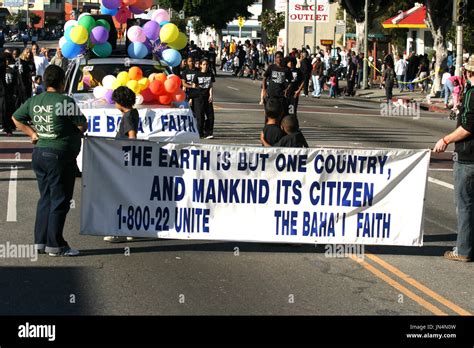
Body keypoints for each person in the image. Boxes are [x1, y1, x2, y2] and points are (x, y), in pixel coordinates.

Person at [12, 65, 88, 257]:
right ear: (62, 82)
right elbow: (82, 124)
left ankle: (40, 242)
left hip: (39, 153)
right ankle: (56, 245)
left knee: (45, 198)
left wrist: (33, 133)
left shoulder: (35, 100)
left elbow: (16, 118)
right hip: (59, 154)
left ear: (45, 82)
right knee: (60, 199)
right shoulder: (65, 101)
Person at [433, 55, 474, 262]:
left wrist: (446, 140)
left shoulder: (471, 93)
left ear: (469, 73)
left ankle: (464, 250)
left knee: (465, 204)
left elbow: (468, 126)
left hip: (468, 157)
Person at [103, 86, 139, 243]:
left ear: (120, 101)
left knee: (118, 195)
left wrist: (128, 156)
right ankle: (130, 229)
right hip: (125, 158)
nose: (114, 104)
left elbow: (132, 136)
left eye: (115, 101)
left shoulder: (129, 116)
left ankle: (120, 231)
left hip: (124, 159)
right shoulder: (132, 113)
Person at [262, 51, 292, 117]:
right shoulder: (271, 67)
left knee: (279, 113)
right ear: (275, 59)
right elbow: (264, 78)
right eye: (277, 57)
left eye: (281, 57)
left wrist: (287, 89)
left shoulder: (286, 69)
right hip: (270, 94)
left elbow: (290, 81)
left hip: (280, 95)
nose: (279, 59)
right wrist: (264, 90)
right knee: (269, 113)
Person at [193, 58, 215, 139]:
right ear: (200, 65)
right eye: (204, 64)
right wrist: (192, 98)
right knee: (200, 116)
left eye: (207, 64)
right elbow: (194, 86)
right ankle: (200, 133)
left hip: (207, 97)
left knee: (210, 116)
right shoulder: (197, 74)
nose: (205, 66)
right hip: (198, 98)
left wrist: (211, 95)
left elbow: (211, 86)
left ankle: (208, 132)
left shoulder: (210, 74)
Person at [285, 56, 304, 127]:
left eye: (290, 62)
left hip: (293, 94)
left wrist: (299, 90)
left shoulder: (298, 71)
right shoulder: (285, 70)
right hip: (285, 94)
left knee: (292, 111)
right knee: (284, 111)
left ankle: (294, 126)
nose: (289, 64)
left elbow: (303, 81)